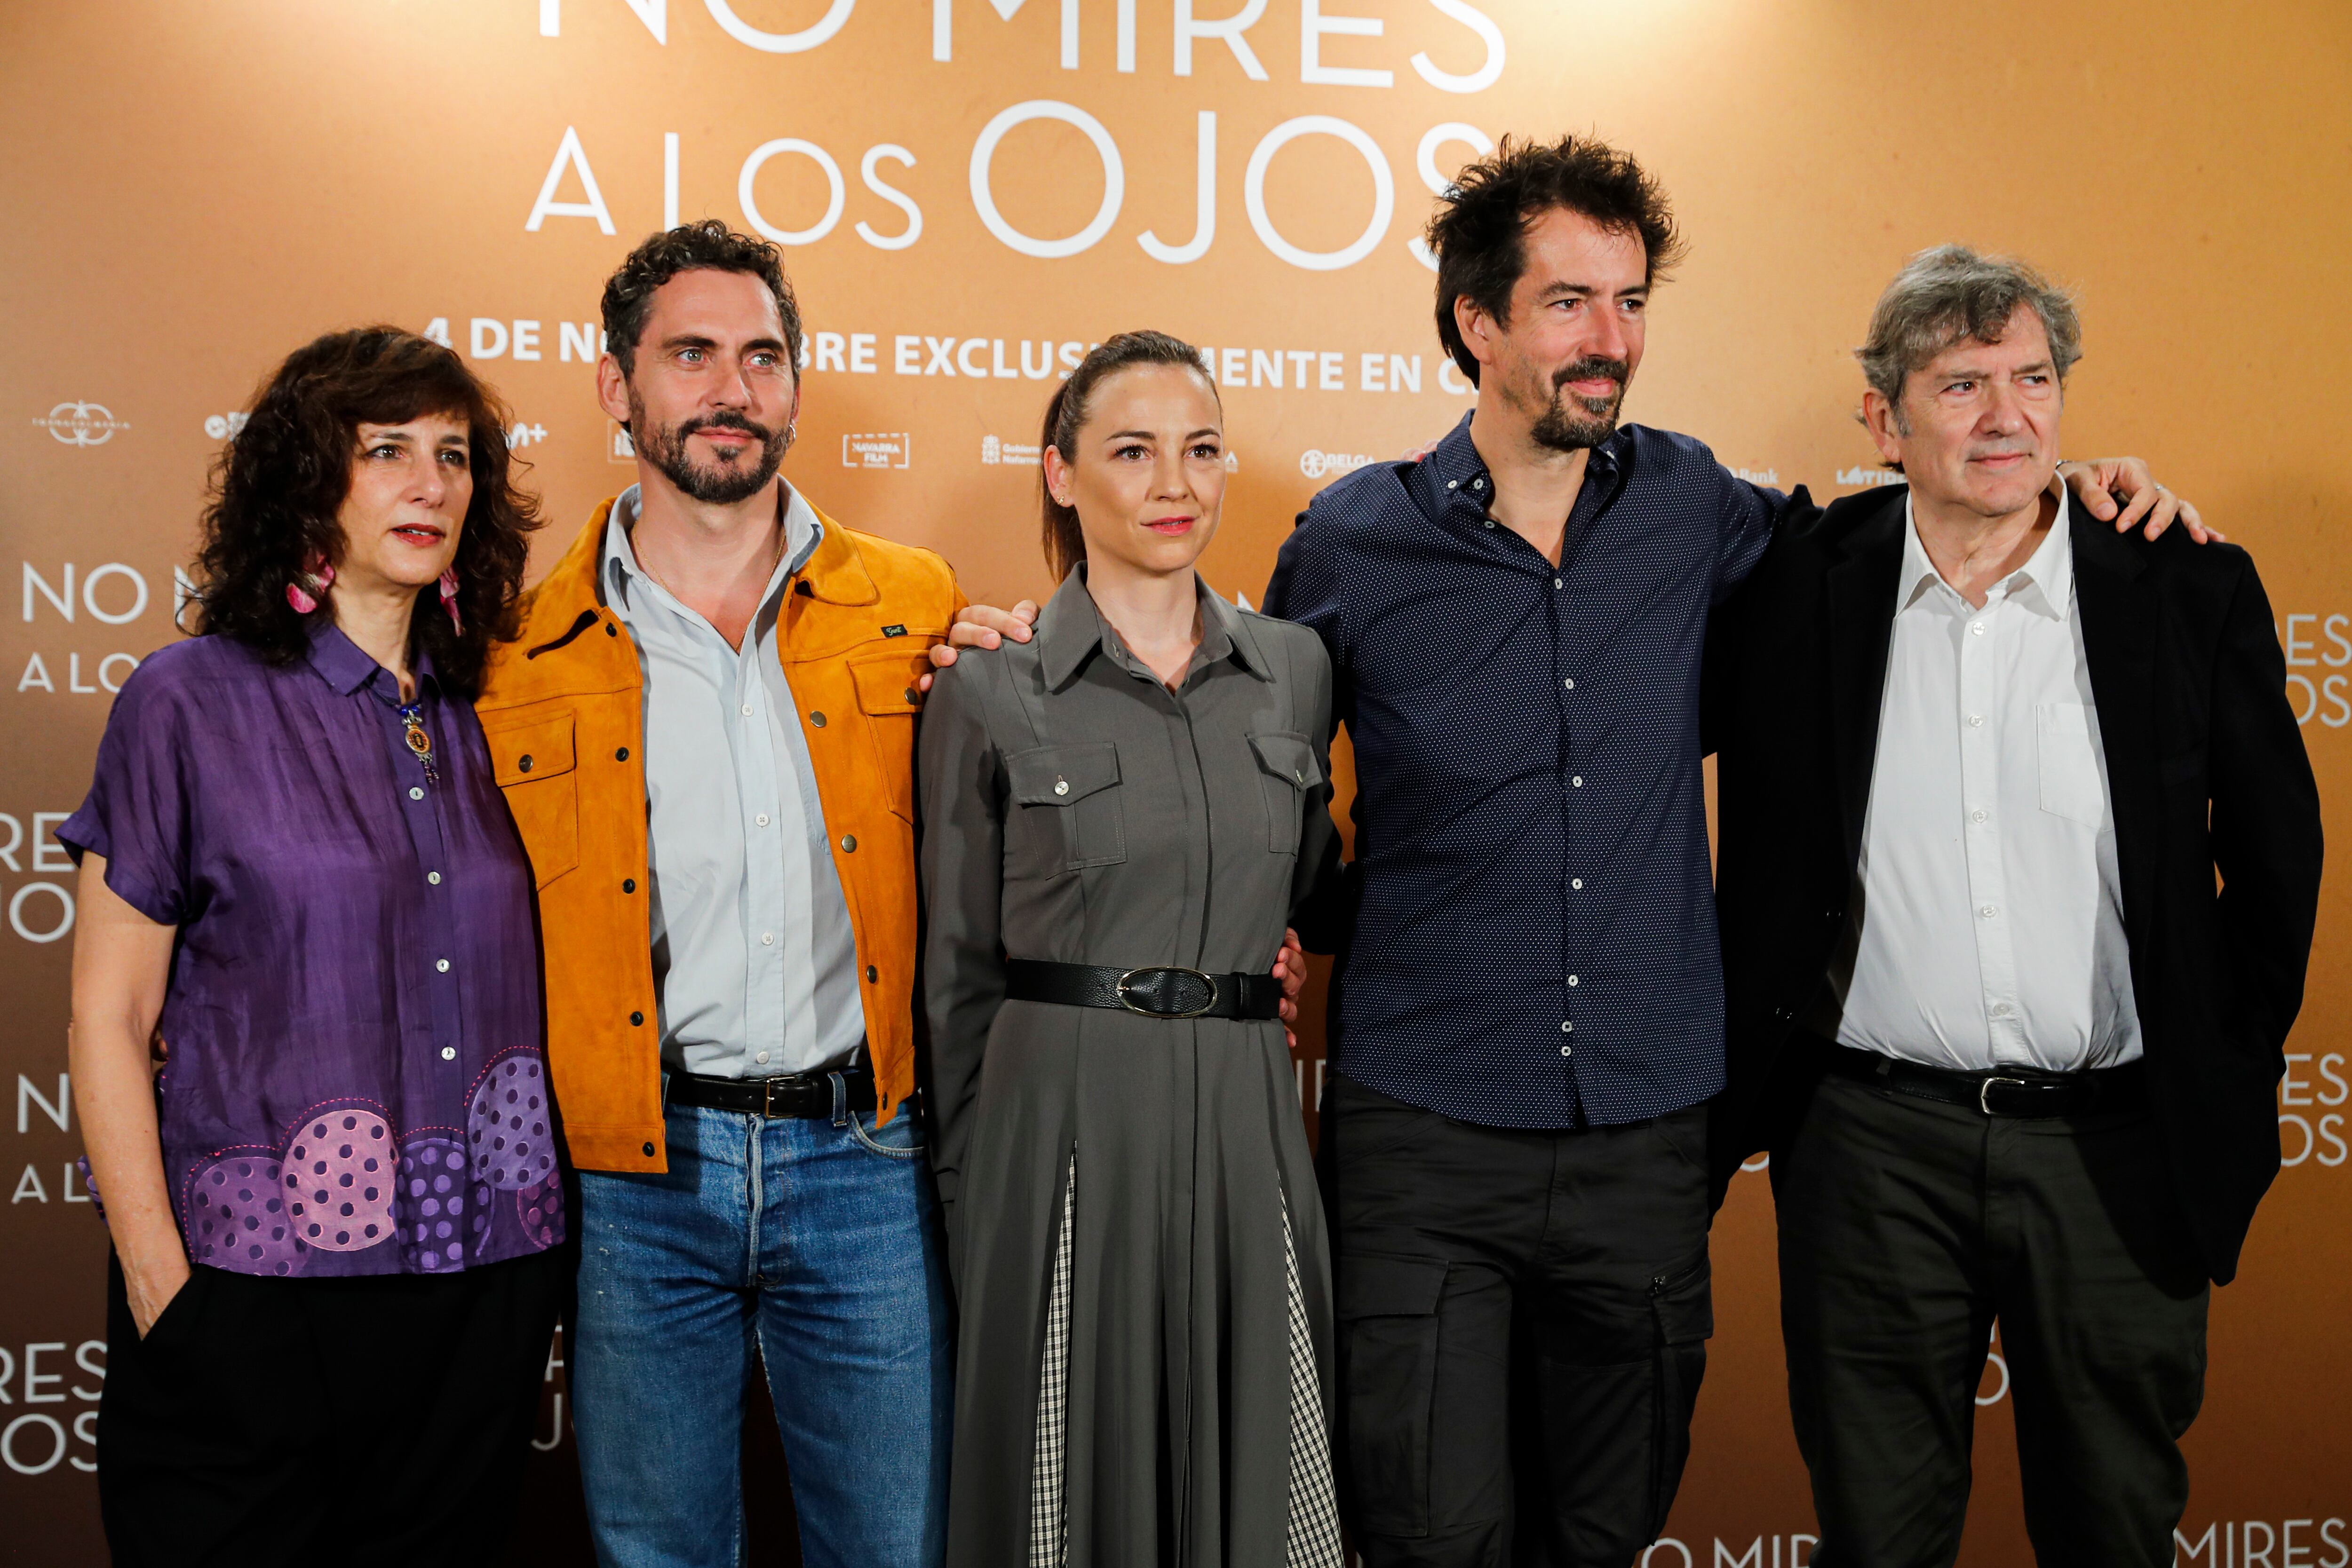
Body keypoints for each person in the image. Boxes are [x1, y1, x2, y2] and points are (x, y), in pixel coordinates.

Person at [1251, 137, 2199, 1568]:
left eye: (1630, 303)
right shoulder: (1350, 539)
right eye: (1569, 303)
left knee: (1608, 1524)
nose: (1611, 341)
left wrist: (2067, 491)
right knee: (1428, 1528)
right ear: (1476, 323)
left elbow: (1926, 539)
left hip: (1646, 1129)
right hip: (1425, 1125)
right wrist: (1033, 634)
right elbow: (1240, 760)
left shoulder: (1704, 510)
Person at [1706, 246, 2321, 1567]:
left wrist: (2215, 1057)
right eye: (1962, 383)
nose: (2008, 417)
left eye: (2035, 380)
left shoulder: (2184, 583)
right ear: (1882, 418)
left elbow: (2279, 869)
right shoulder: (1793, 590)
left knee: (2115, 1529)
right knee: (1879, 1538)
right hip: (1869, 1151)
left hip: (2120, 1152)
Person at [471, 221, 958, 1568]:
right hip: (639, 1174)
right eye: (691, 355)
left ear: (797, 386)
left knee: (894, 1545)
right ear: (619, 387)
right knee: (657, 1552)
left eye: (761, 356)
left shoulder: (915, 608)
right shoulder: (522, 645)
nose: (731, 389)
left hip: (867, 1159)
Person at [63, 327, 557, 1567]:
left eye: (454, 455)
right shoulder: (190, 699)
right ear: (307, 481)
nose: (431, 483)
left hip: (479, 1293)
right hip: (247, 1302)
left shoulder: (505, 706)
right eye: (386, 449)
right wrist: (161, 1291)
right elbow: (108, 1018)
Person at [920, 330, 1347, 1568]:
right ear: (1061, 475)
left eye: (1202, 449)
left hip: (1244, 1115)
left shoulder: (1296, 670)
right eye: (1134, 451)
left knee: (1260, 1470)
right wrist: (971, 1210)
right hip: (1054, 1126)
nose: (1177, 483)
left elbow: (1301, 887)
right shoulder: (987, 683)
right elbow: (955, 981)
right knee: (1063, 1489)